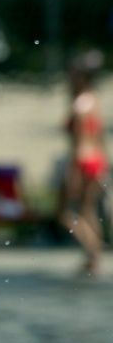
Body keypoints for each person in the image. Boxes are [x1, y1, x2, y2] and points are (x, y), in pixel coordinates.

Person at [60, 50, 108, 274]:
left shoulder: (79, 104)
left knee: (65, 213)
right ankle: (93, 259)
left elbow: (78, 142)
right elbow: (99, 136)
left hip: (82, 159)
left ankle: (93, 251)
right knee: (88, 211)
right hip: (98, 158)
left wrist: (73, 170)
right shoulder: (94, 100)